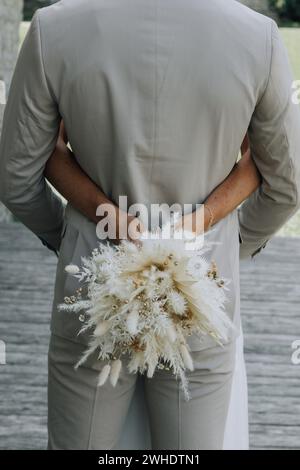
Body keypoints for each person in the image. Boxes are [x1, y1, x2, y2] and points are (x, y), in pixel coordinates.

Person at [0, 0, 300, 450]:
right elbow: (287, 182)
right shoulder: (256, 35)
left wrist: (67, 235)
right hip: (203, 290)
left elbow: (16, 174)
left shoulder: (53, 28)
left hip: (91, 282)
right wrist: (227, 243)